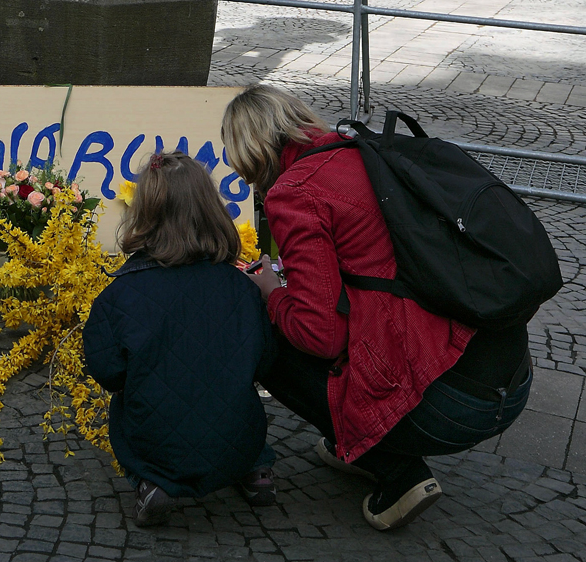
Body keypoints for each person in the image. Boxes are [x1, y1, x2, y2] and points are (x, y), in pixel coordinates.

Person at [220, 85, 533, 531]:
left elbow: (319, 333)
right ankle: (357, 438)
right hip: (510, 378)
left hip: (454, 406)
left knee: (266, 329)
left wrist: (270, 289)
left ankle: (396, 471)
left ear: (250, 151)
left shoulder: (294, 192)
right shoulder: (362, 151)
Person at [83, 151, 277, 527]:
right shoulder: (244, 289)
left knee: (125, 408)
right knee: (236, 399)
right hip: (238, 439)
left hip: (155, 446)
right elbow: (265, 363)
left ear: (144, 215)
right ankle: (256, 468)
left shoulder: (119, 297)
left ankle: (150, 483)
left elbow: (107, 372)